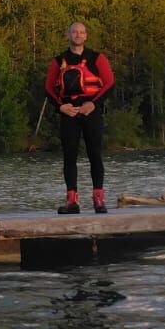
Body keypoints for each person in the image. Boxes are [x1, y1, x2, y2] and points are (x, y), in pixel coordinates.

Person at [45, 22, 115, 214]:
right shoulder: (58, 61)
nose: (78, 35)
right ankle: (71, 201)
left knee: (95, 154)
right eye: (74, 32)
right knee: (69, 156)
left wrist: (93, 104)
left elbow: (109, 83)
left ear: (86, 36)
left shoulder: (97, 58)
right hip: (69, 112)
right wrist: (61, 107)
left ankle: (98, 199)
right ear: (68, 34)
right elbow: (49, 88)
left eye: (82, 32)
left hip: (90, 110)